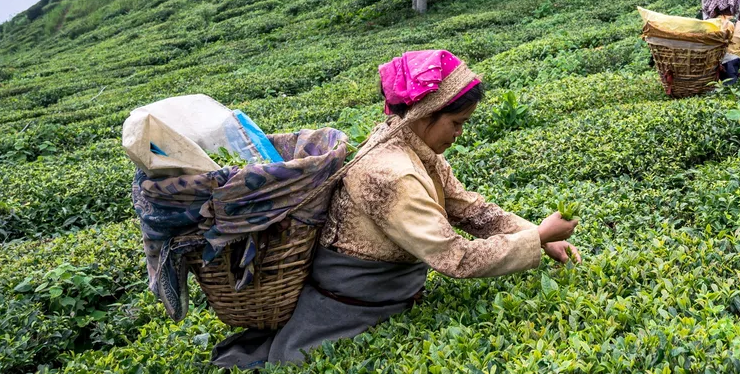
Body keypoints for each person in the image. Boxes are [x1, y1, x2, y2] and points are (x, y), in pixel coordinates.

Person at [212, 50, 581, 369]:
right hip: (355, 306)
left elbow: (471, 210)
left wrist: (535, 236)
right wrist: (538, 236)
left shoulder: (411, 145)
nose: (459, 134)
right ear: (425, 113)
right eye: (456, 123)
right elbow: (456, 258)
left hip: (393, 292)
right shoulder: (390, 175)